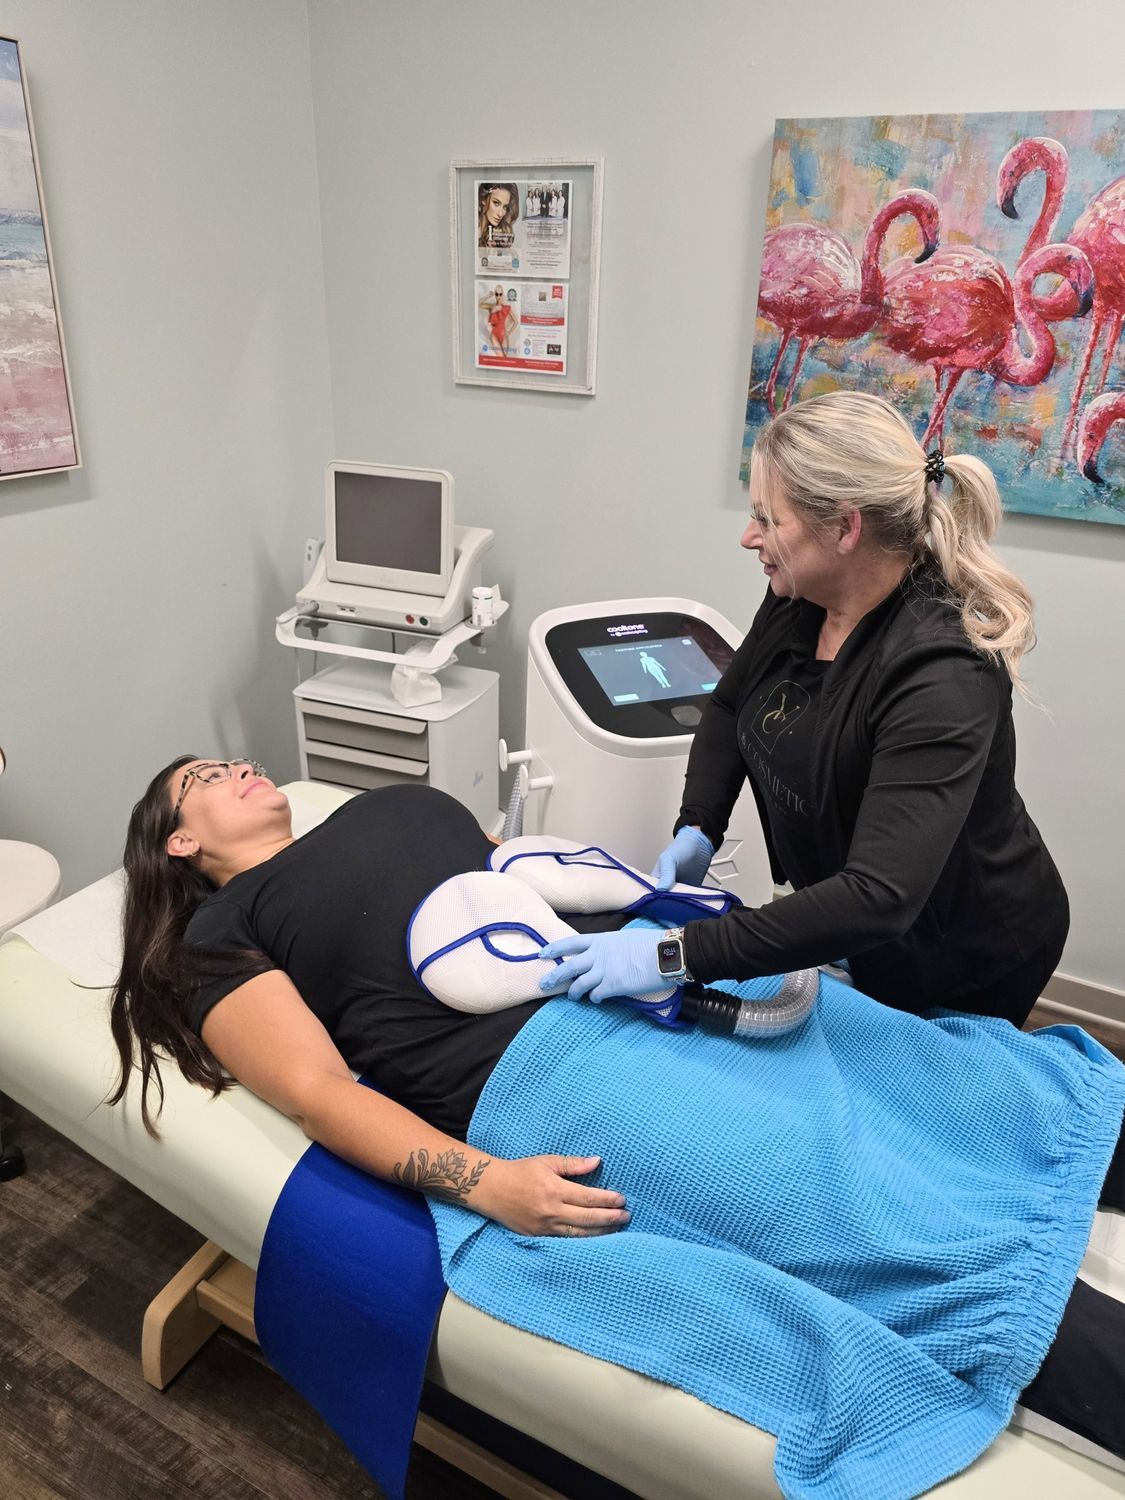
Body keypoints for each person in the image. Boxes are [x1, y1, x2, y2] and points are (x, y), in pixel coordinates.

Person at [106, 758, 1125, 1473]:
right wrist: (483, 1181)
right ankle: (1068, 1341)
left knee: (901, 1064)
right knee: (828, 1192)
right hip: (543, 1066)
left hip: (634, 972)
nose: (238, 767)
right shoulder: (220, 930)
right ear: (183, 840)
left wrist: (666, 916)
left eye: (236, 758)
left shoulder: (380, 808)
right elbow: (320, 1091)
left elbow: (533, 875)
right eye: (204, 777)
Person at [541, 391, 1069, 1030]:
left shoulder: (943, 669)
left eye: (767, 518)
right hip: (865, 924)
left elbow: (880, 895)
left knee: (916, 1097)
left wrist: (675, 955)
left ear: (846, 528)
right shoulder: (804, 596)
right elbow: (732, 703)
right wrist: (699, 825)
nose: (748, 537)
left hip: (965, 945)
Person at [477, 181, 519, 249]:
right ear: (484, 199)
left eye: (505, 207)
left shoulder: (500, 238)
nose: (500, 214)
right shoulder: (471, 230)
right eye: (496, 203)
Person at [479, 285, 514, 358]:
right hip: (494, 335)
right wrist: (488, 296)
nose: (498, 296)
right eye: (496, 294)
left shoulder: (506, 308)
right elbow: (479, 304)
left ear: (502, 294)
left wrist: (509, 332)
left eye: (500, 294)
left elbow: (516, 322)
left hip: (503, 335)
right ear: (495, 294)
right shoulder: (491, 307)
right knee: (501, 357)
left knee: (504, 358)